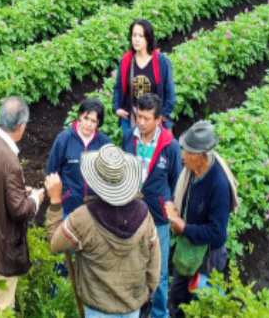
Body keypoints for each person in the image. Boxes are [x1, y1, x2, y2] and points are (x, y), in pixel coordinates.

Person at [44, 144, 161, 318]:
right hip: (133, 307)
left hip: (97, 309)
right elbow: (154, 258)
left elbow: (55, 242)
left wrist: (55, 201)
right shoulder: (144, 214)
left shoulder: (84, 218)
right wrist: (149, 289)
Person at [0, 96, 45, 311]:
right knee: (0, 305)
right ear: (21, 126)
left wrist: (17, 190)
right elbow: (19, 210)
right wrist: (35, 199)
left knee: (1, 294)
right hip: (3, 244)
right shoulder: (10, 161)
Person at [166, 121, 238, 318]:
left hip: (207, 257)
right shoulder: (191, 171)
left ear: (204, 156)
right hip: (188, 248)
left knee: (200, 305)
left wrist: (184, 227)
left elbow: (216, 233)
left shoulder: (218, 184)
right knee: (178, 297)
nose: (183, 155)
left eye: (188, 152)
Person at [120, 92, 182, 318]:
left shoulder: (170, 146)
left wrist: (170, 209)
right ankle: (134, 310)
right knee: (131, 264)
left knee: (160, 270)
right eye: (139, 117)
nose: (141, 123)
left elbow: (177, 182)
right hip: (130, 213)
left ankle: (159, 313)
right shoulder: (128, 137)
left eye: (147, 118)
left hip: (158, 217)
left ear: (159, 120)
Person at [46, 97, 113, 216]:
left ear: (98, 123)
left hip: (95, 210)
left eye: (93, 121)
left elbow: (110, 176)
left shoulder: (105, 144)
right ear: (80, 116)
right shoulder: (64, 139)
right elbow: (52, 172)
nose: (88, 124)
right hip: (69, 208)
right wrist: (61, 197)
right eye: (86, 118)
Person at [112, 19, 177, 134]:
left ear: (148, 38)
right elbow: (118, 87)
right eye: (134, 35)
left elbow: (170, 94)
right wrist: (116, 108)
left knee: (153, 151)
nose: (136, 39)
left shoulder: (162, 62)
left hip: (154, 121)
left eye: (141, 36)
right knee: (131, 151)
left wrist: (161, 116)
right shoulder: (126, 60)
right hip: (130, 118)